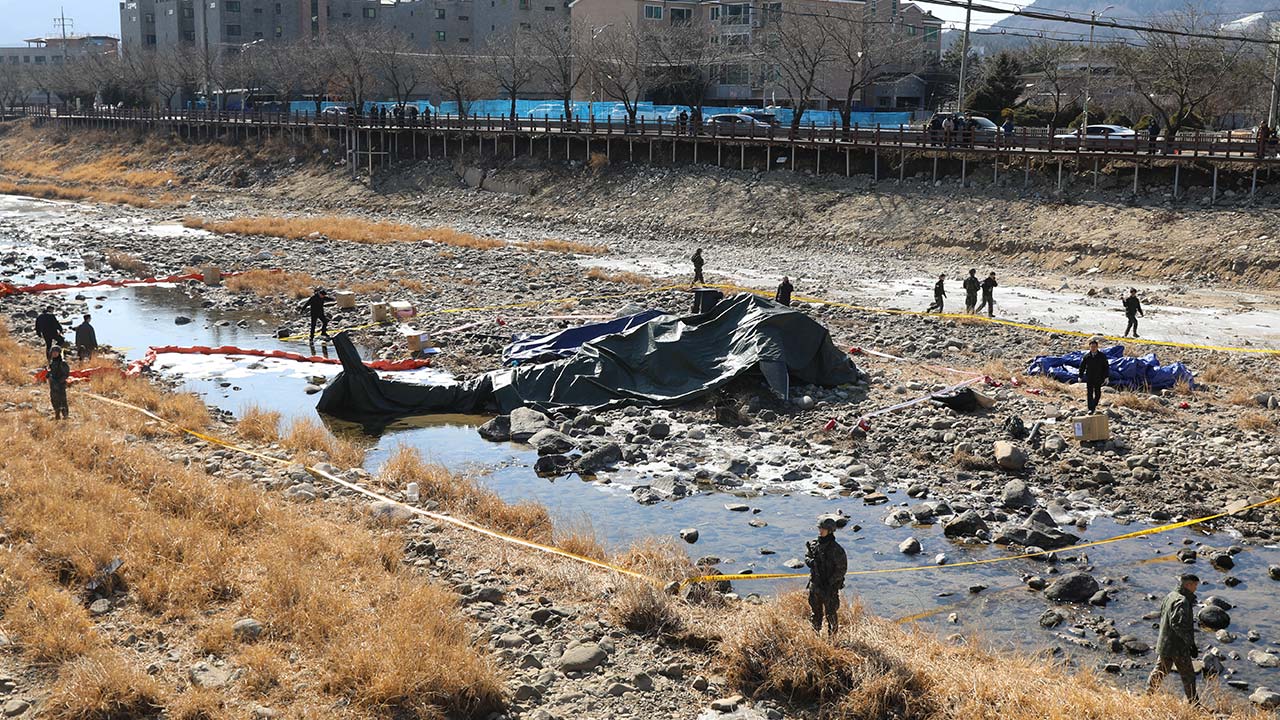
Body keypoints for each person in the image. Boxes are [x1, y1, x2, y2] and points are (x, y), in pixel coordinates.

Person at [1146, 573, 1200, 702]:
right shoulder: (1182, 601)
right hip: (1178, 647)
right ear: (1188, 585)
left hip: (1165, 643)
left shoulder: (1170, 596)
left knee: (1160, 670)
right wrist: (1190, 643)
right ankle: (1194, 704)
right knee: (1188, 676)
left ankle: (1148, 695)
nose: (1196, 589)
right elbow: (1177, 624)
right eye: (1195, 586)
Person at [804, 516, 847, 635]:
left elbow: (842, 569)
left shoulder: (836, 549)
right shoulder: (814, 544)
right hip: (815, 585)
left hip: (829, 588)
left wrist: (830, 581)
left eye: (823, 529)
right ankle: (815, 635)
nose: (820, 531)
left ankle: (833, 639)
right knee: (815, 613)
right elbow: (807, 557)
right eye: (820, 528)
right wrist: (811, 562)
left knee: (831, 614)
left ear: (830, 530)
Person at [1080, 338, 1110, 414]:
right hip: (1089, 377)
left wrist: (1106, 377)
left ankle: (1094, 404)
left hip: (1098, 377)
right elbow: (1082, 366)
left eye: (1094, 347)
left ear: (1097, 347)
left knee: (1098, 393)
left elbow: (1106, 367)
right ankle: (1091, 408)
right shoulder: (1087, 356)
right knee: (1089, 393)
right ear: (1089, 347)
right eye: (1091, 347)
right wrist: (1080, 376)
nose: (1093, 348)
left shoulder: (1102, 356)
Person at [48, 345, 70, 420]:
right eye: (53, 352)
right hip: (53, 385)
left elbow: (66, 374)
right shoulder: (52, 362)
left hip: (60, 385)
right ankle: (57, 414)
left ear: (59, 353)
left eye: (56, 352)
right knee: (54, 400)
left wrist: (60, 381)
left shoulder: (62, 363)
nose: (54, 354)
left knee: (62, 400)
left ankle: (65, 415)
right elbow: (51, 372)